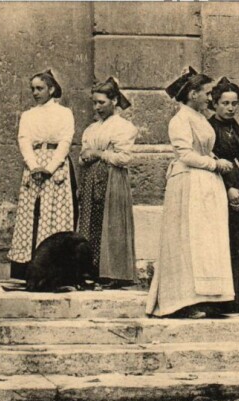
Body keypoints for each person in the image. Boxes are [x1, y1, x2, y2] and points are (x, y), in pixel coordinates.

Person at [146, 67, 235, 318]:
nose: (210, 98)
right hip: (188, 183)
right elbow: (184, 154)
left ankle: (207, 298)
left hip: (206, 184)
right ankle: (182, 301)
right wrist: (214, 164)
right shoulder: (180, 119)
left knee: (206, 242)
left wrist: (215, 160)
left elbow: (204, 149)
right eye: (207, 93)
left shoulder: (201, 118)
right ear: (193, 93)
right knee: (187, 240)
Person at [7, 69, 77, 280]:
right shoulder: (28, 115)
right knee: (31, 214)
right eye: (33, 89)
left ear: (52, 89)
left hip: (56, 167)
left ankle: (55, 269)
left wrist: (51, 167)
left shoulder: (65, 113)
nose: (35, 93)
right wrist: (33, 165)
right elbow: (24, 140)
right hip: (34, 165)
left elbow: (66, 140)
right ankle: (27, 268)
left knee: (54, 213)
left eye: (40, 88)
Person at [78, 77, 138, 287]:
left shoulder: (123, 127)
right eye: (94, 103)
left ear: (114, 101)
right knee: (90, 222)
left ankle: (115, 273)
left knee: (111, 223)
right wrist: (86, 156)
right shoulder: (92, 128)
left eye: (101, 102)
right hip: (90, 179)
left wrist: (98, 153)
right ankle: (92, 269)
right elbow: (83, 153)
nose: (97, 107)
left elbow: (124, 158)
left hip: (113, 178)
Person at [207, 77, 239, 311]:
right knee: (223, 241)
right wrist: (228, 189)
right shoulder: (209, 130)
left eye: (234, 103)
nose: (230, 108)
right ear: (215, 104)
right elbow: (212, 161)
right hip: (220, 189)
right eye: (225, 103)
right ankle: (224, 299)